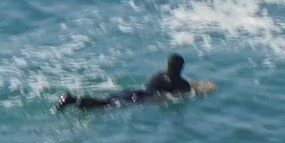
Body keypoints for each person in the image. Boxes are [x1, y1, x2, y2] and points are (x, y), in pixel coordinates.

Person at [57, 54, 201, 111]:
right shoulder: (181, 83)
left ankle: (75, 101)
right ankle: (73, 100)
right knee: (105, 105)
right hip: (143, 98)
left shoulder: (159, 75)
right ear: (180, 67)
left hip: (135, 91)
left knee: (106, 101)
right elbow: (190, 93)